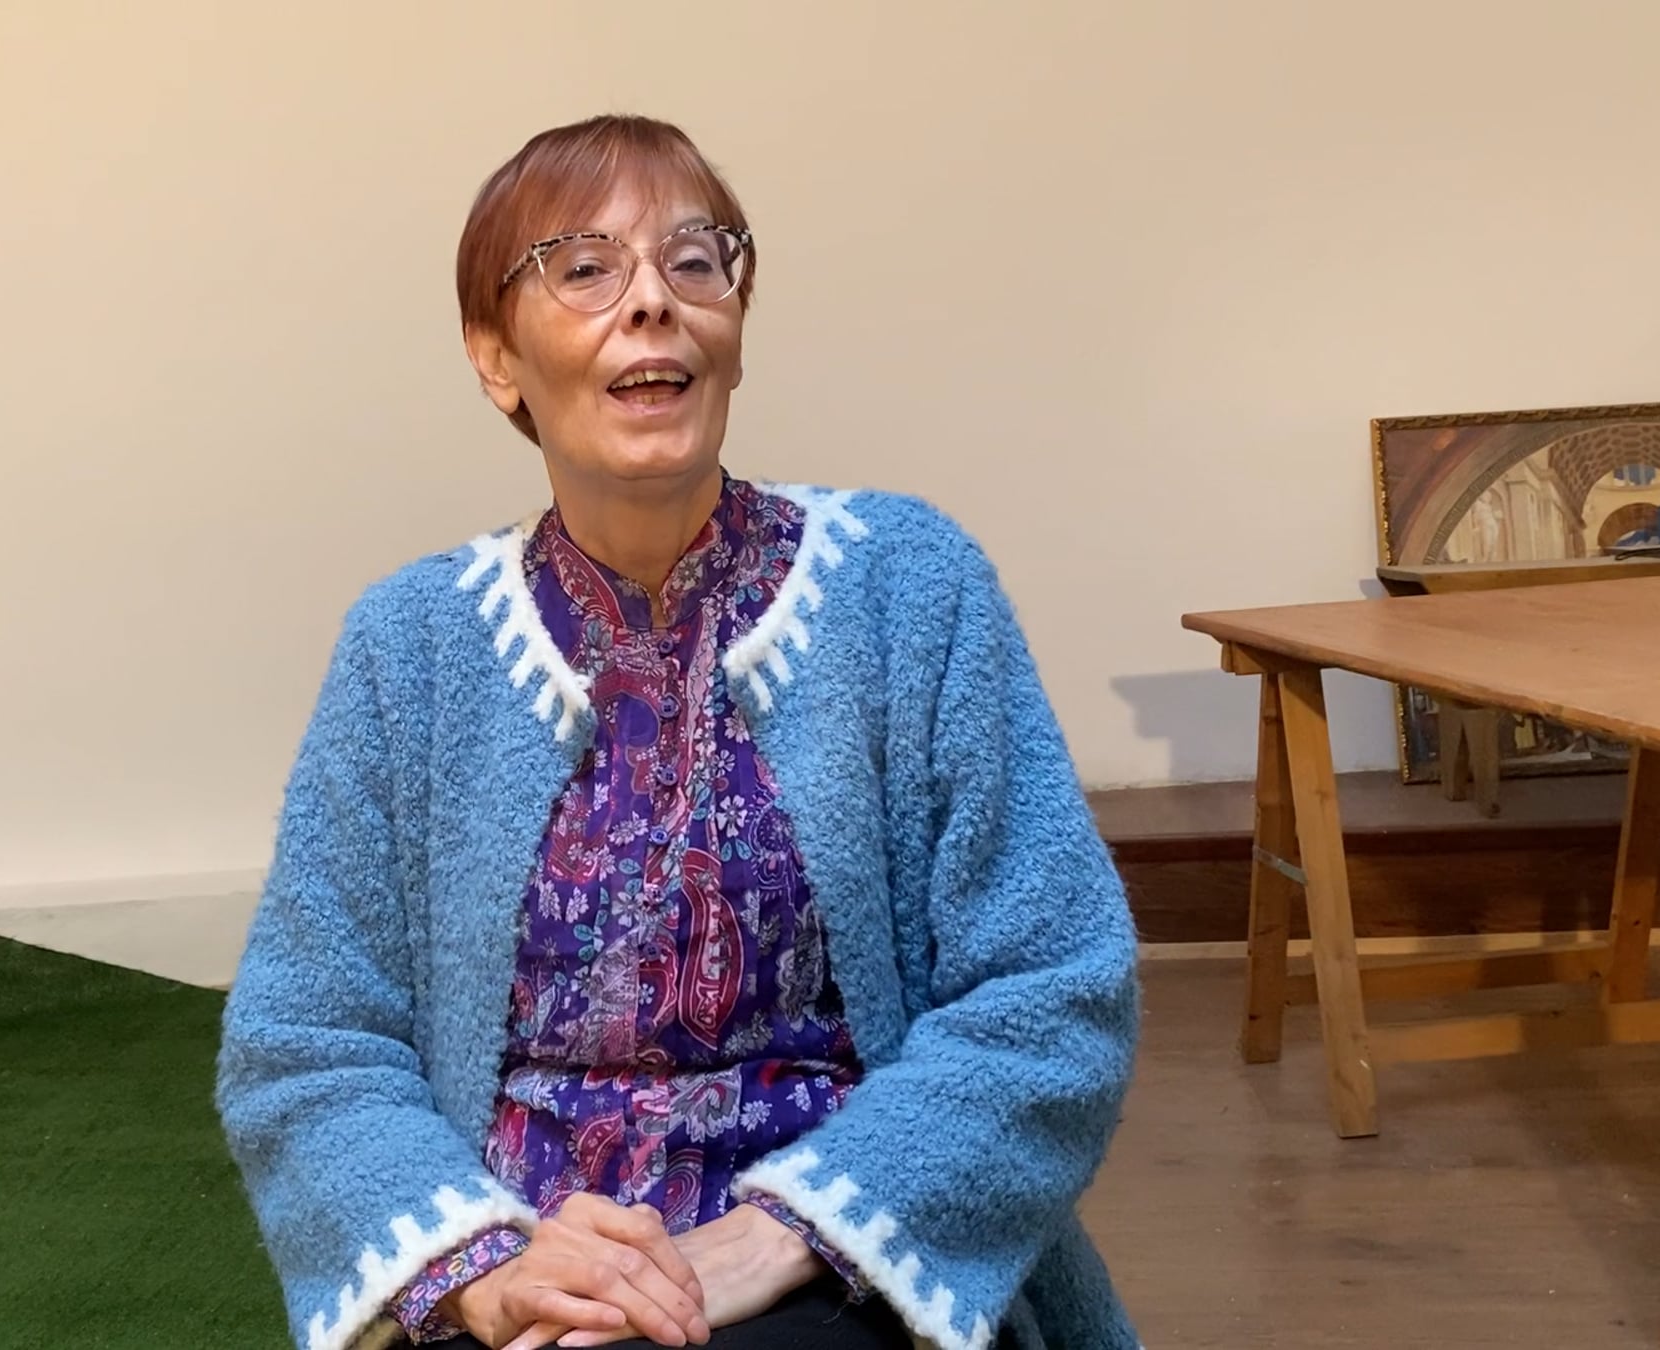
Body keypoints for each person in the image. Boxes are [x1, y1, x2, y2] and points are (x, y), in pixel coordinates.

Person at [216, 114, 1141, 1350]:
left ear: (736, 327)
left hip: (836, 1267)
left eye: (695, 260)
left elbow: (1053, 985)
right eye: (585, 268)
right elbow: (307, 1043)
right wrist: (487, 1266)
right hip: (525, 1271)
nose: (652, 299)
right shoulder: (410, 645)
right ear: (497, 358)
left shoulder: (909, 588)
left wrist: (784, 1232)